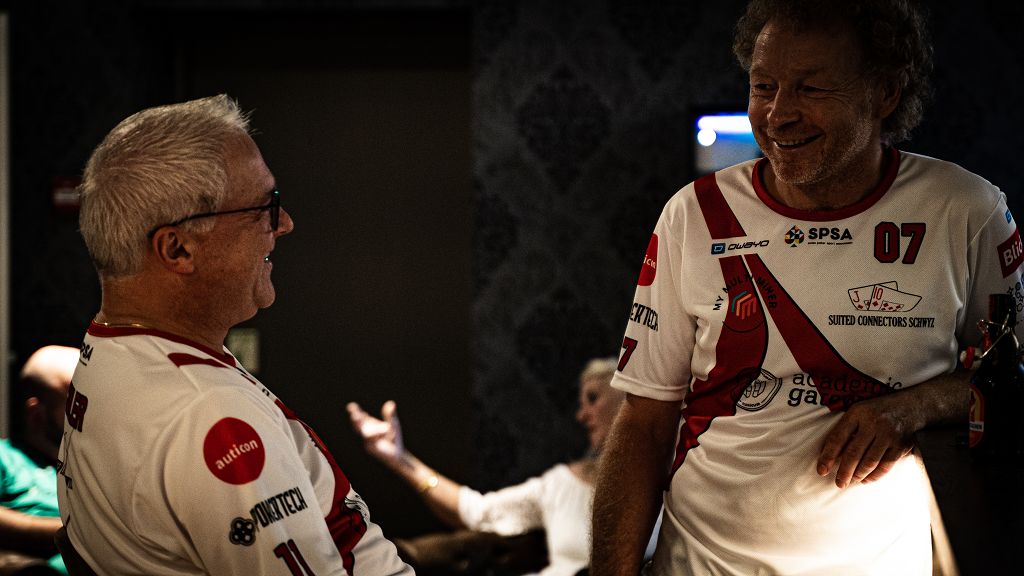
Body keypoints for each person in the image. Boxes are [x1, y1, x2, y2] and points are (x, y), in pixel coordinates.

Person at [591, 0, 1024, 574]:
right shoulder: (693, 214)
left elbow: (1014, 384)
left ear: (885, 93)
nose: (777, 115)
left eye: (811, 88)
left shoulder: (967, 210)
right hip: (698, 562)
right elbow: (645, 422)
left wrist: (915, 407)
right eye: (763, 87)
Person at [55, 95, 413, 575]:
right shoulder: (209, 414)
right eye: (264, 207)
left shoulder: (113, 349)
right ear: (178, 249)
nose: (284, 224)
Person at [348, 358, 658, 576]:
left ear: (629, 394)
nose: (581, 415)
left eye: (593, 398)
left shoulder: (668, 486)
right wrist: (400, 459)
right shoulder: (560, 484)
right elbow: (477, 511)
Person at [1, 346, 79, 575]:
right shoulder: (6, 457)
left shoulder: (96, 468)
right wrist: (75, 533)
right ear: (37, 414)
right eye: (76, 404)